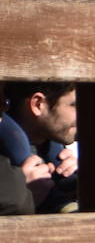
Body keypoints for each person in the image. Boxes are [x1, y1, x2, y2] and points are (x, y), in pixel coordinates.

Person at [2, 82, 78, 213]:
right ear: (38, 104)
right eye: (74, 105)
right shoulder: (5, 160)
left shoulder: (58, 151)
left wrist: (80, 181)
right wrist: (20, 193)